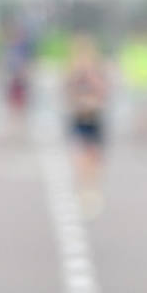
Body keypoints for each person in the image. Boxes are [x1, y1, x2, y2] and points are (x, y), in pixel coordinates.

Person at [62, 33, 110, 218]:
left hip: (95, 117)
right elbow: (66, 93)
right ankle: (84, 190)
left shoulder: (97, 69)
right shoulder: (72, 71)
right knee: (81, 154)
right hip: (79, 118)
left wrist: (92, 79)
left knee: (95, 155)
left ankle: (92, 188)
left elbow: (104, 92)